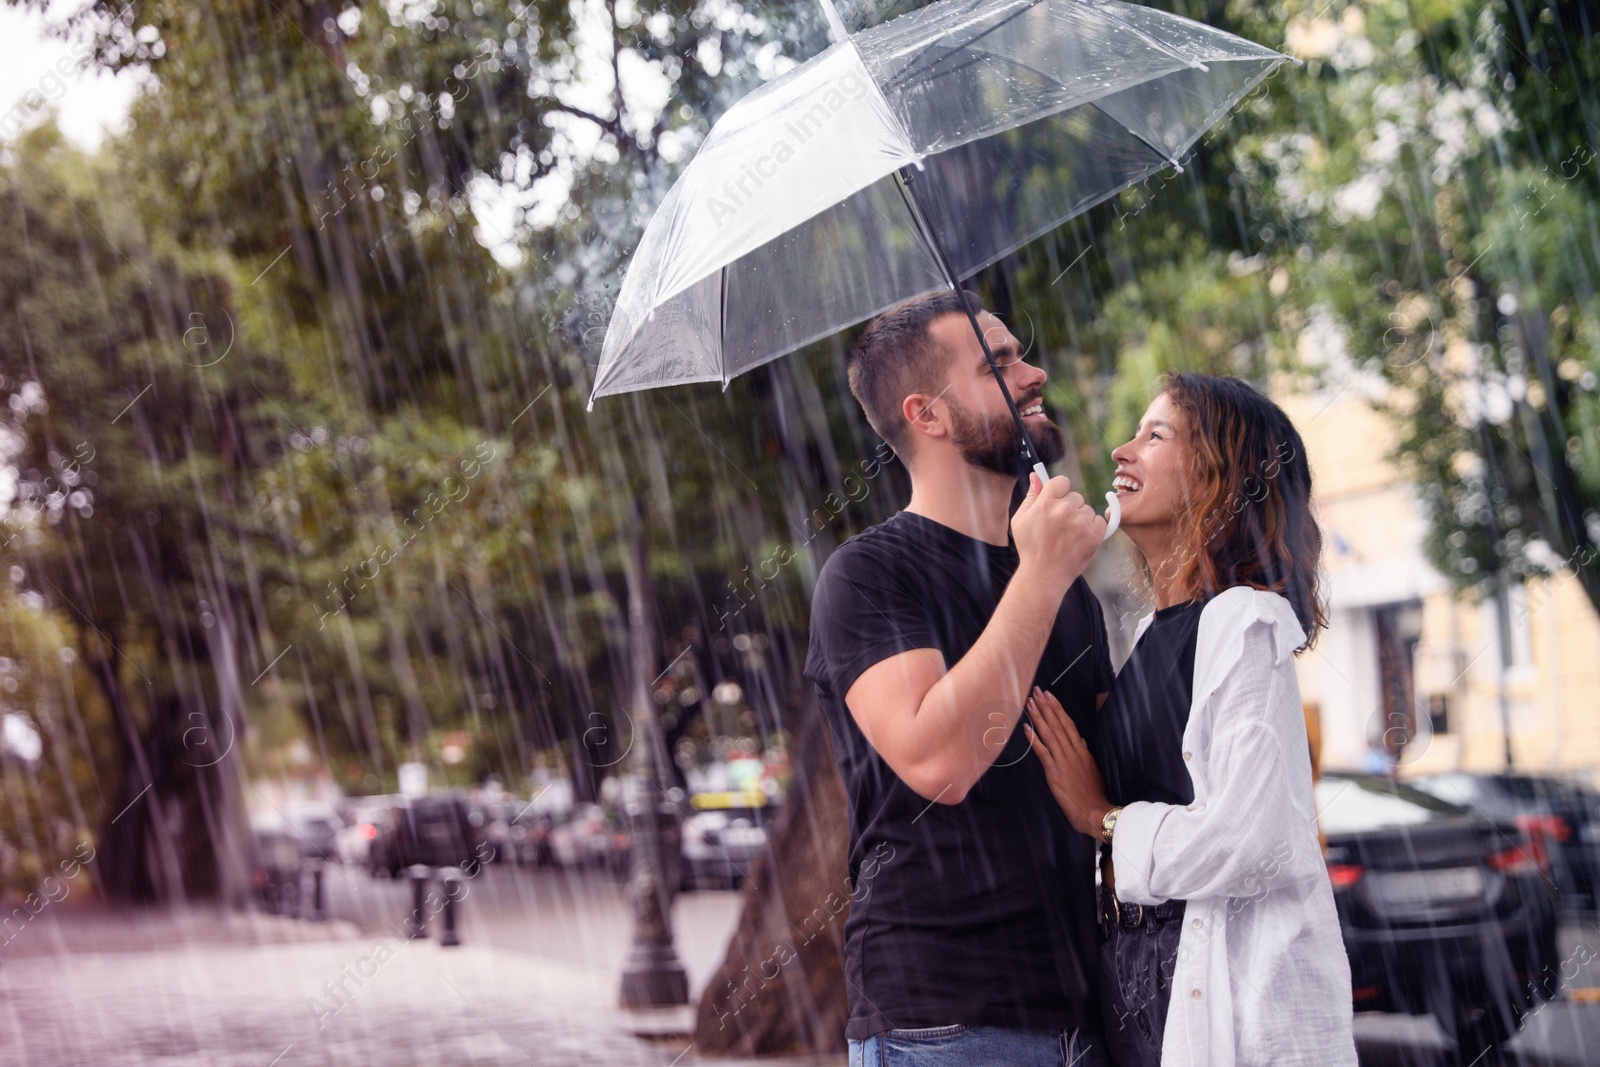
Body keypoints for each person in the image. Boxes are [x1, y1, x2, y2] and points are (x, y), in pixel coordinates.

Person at [804, 289, 1112, 1066]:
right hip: (945, 1019)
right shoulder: (867, 575)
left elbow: (1109, 772)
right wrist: (1038, 576)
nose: (1033, 372)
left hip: (1084, 1010)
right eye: (998, 365)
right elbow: (941, 763)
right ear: (927, 414)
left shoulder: (1065, 585)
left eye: (1021, 353)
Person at [1025, 372, 1357, 1067]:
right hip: (1133, 971)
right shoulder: (1155, 632)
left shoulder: (1243, 620)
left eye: (1155, 435)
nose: (1121, 450)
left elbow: (1253, 835)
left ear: (1221, 476)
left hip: (1203, 979)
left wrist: (1106, 818)